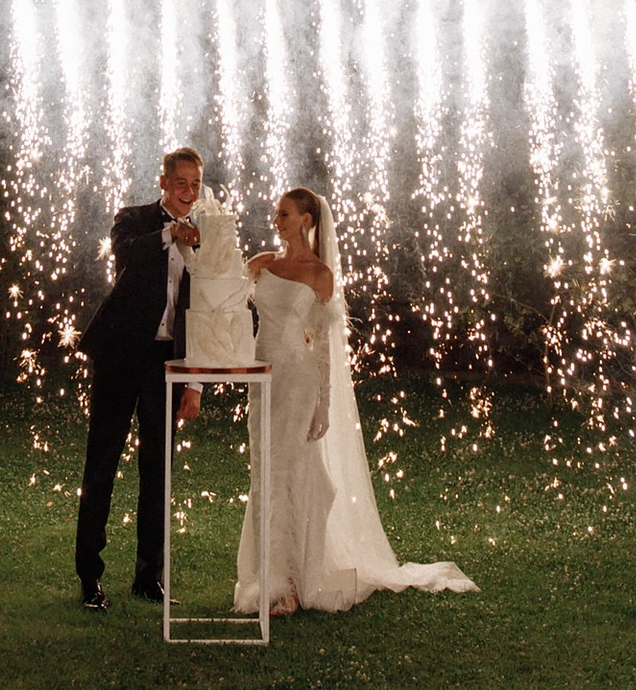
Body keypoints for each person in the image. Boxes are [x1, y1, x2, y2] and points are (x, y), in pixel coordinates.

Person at [236, 188, 478, 615]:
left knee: (288, 469)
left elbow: (322, 347)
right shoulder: (263, 264)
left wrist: (323, 403)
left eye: (285, 214)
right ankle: (269, 572)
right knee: (263, 467)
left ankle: (290, 583)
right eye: (276, 214)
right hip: (261, 377)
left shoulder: (320, 274)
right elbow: (228, 304)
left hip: (296, 380)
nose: (277, 221)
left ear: (307, 220)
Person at [75, 145, 229, 609]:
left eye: (196, 184)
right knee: (102, 464)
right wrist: (169, 233)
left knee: (158, 471)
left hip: (167, 364)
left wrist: (195, 382)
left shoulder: (207, 234)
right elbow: (124, 254)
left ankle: (149, 577)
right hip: (120, 356)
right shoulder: (134, 219)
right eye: (181, 183)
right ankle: (89, 577)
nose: (189, 192)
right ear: (164, 183)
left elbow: (210, 308)